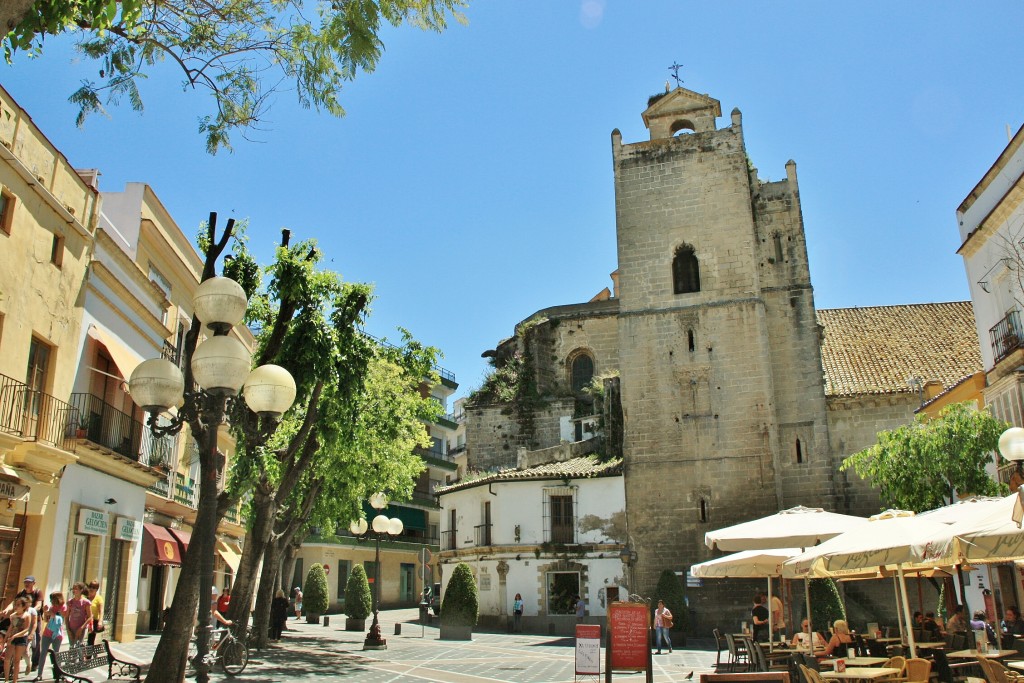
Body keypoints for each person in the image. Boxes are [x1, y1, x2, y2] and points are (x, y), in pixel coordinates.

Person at [34, 592, 64, 682]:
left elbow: (61, 621)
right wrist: (45, 612)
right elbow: (47, 620)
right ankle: (39, 675)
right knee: (43, 653)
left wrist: (53, 614)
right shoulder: (51, 607)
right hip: (47, 633)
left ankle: (59, 674)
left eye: (52, 599)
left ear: (57, 599)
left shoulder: (63, 607)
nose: (50, 601)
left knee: (56, 654)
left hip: (57, 634)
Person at [6, 598, 30, 683]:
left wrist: (16, 635)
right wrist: (6, 637)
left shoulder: (26, 615)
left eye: (18, 605)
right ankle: (6, 680)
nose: (16, 607)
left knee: (17, 660)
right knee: (7, 658)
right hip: (12, 637)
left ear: (24, 606)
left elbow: (26, 629)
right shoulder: (12, 616)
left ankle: (14, 681)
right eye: (15, 604)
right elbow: (11, 627)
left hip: (21, 638)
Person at [65, 582, 92, 649]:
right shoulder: (70, 602)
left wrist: (81, 628)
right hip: (71, 628)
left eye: (76, 589)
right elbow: (66, 616)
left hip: (81, 629)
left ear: (81, 590)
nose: (74, 590)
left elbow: (90, 617)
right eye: (73, 589)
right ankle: (73, 660)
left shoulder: (86, 602)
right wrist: (68, 629)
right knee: (72, 648)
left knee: (78, 648)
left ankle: (82, 659)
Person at [86, 580, 104, 647]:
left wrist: (100, 622)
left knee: (90, 640)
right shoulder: (85, 597)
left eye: (93, 587)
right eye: (90, 586)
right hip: (84, 620)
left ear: (96, 589)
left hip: (93, 621)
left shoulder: (99, 599)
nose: (91, 589)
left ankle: (89, 657)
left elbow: (101, 611)